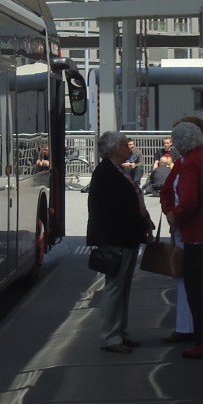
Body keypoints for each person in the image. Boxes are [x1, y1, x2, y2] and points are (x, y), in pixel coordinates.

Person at [86, 130, 154, 354]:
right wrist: (142, 224)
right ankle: (111, 336)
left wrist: (144, 223)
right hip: (117, 239)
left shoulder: (115, 171)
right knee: (115, 288)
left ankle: (119, 332)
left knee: (122, 287)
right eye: (125, 145)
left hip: (125, 237)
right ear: (114, 149)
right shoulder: (107, 174)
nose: (129, 148)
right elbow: (117, 210)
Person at [160, 119, 203, 358]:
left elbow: (188, 201)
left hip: (193, 235)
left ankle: (201, 340)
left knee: (194, 289)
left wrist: (173, 215)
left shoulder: (188, 164)